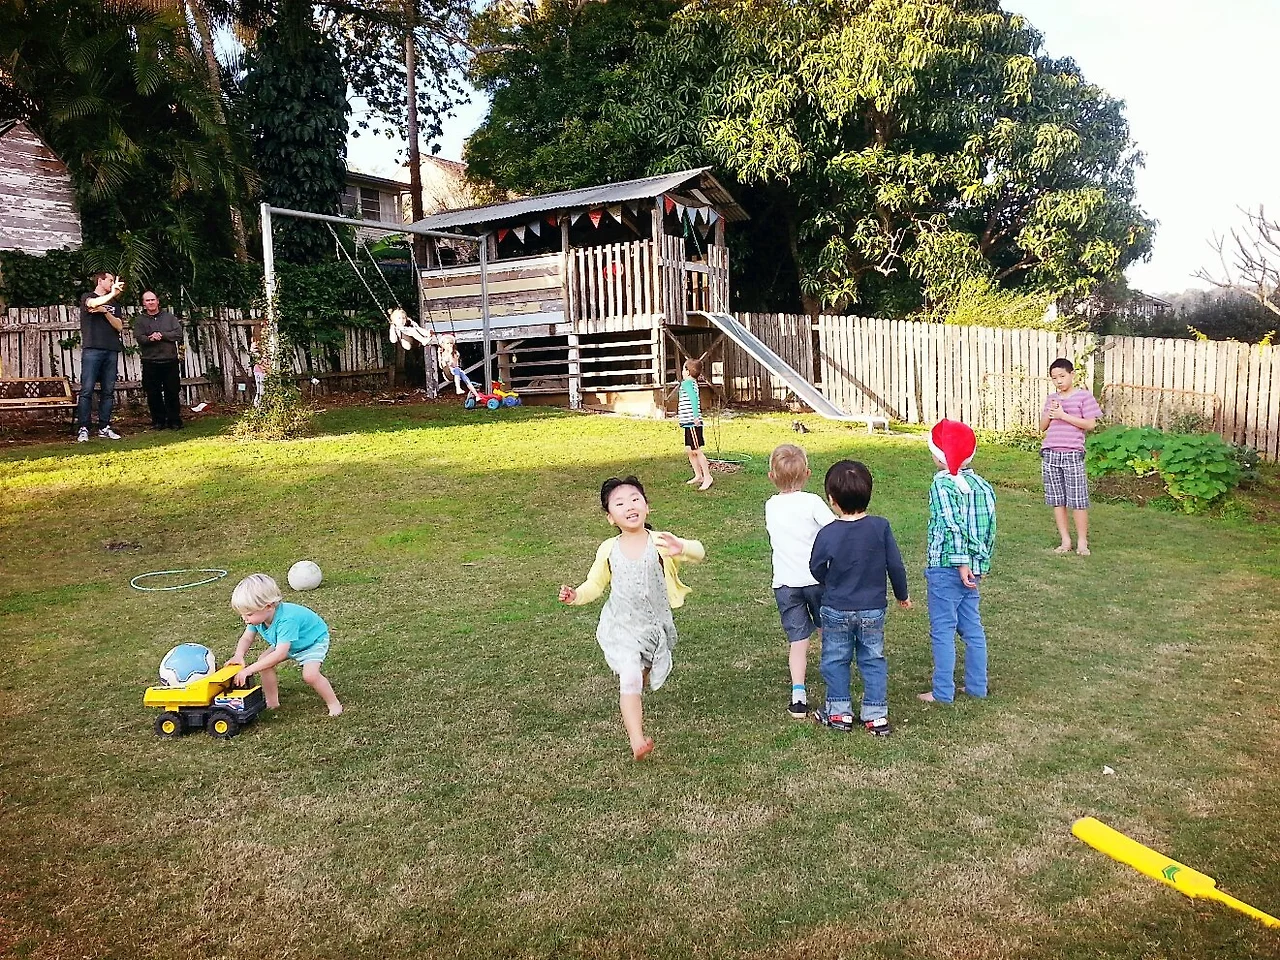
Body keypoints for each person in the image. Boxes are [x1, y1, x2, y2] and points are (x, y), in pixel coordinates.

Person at [558, 476, 705, 760]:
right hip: (621, 626)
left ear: (647, 507)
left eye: (635, 499)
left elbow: (699, 552)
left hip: (653, 627)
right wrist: (576, 595)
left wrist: (683, 547)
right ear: (610, 517)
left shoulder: (660, 542)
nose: (629, 506)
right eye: (620, 503)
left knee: (641, 673)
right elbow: (595, 584)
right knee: (630, 677)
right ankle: (637, 740)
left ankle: (638, 682)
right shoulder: (608, 549)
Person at [808, 460, 910, 736]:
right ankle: (876, 716)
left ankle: (839, 712)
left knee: (835, 658)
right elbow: (895, 565)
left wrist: (829, 581)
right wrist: (902, 594)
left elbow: (815, 567)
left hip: (835, 608)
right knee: (873, 658)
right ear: (868, 493)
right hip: (872, 610)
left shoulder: (828, 533)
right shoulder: (880, 527)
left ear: (832, 499)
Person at [919, 419, 996, 705]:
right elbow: (989, 527)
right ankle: (977, 686)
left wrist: (962, 562)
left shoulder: (941, 484)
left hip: (946, 567)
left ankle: (942, 692)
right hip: (973, 570)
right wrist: (980, 562)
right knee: (972, 628)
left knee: (943, 629)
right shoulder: (982, 485)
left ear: (939, 455)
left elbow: (952, 525)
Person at [765, 443, 835, 719]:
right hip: (817, 580)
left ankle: (798, 694)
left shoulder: (771, 505)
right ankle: (834, 682)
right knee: (826, 630)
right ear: (807, 474)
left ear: (772, 477)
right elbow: (833, 529)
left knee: (798, 639)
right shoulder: (812, 502)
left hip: (785, 583)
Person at [227, 573, 343, 717]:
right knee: (264, 662)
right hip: (288, 642)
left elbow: (280, 654)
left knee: (310, 675)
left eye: (249, 614)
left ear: (268, 606)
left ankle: (334, 703)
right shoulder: (258, 618)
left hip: (311, 642)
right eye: (242, 614)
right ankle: (272, 702)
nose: (245, 619)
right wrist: (239, 655)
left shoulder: (287, 620)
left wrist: (248, 670)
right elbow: (246, 638)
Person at [1040, 358, 1103, 555]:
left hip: (1072, 453)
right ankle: (1065, 541)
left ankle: (1082, 542)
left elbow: (1090, 424)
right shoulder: (1052, 398)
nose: (1058, 381)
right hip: (1050, 453)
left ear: (1072, 374)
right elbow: (1042, 427)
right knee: (1057, 500)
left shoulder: (1084, 397)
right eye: (1054, 378)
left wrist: (1063, 415)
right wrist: (1051, 412)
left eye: (1062, 376)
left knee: (1078, 500)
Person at [75, 272, 126, 442]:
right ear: (100, 281)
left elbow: (119, 326)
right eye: (110, 280)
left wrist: (105, 312)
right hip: (92, 349)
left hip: (111, 349)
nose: (112, 283)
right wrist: (111, 295)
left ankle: (104, 427)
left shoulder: (114, 304)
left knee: (108, 391)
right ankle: (84, 428)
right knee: (87, 390)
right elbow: (92, 303)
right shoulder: (87, 296)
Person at [132, 291, 184, 430]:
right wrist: (151, 338)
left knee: (172, 391)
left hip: (169, 360)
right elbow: (139, 338)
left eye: (153, 300)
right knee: (153, 393)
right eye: (147, 300)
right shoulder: (140, 320)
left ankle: (174, 420)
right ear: (144, 303)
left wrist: (162, 335)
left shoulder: (169, 317)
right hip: (150, 361)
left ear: (158, 301)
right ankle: (158, 421)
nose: (151, 302)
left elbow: (178, 334)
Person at [678, 358, 713, 490]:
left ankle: (707, 477)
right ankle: (698, 475)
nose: (682, 372)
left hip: (692, 423)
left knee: (696, 450)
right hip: (688, 423)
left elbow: (693, 399)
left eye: (683, 369)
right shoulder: (691, 383)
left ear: (687, 372)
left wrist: (696, 417)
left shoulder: (687, 384)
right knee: (690, 450)